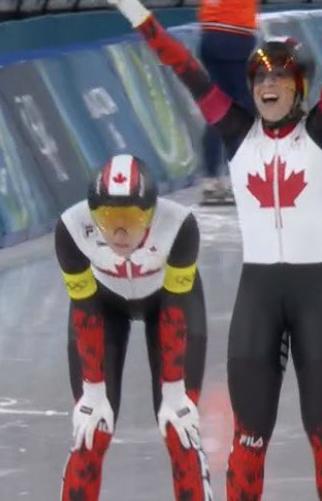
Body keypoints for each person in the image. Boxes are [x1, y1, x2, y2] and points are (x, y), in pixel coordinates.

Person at [104, 0, 322, 499]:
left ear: (299, 88)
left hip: (317, 298)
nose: (268, 85)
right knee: (247, 442)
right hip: (258, 299)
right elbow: (186, 69)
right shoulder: (236, 134)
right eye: (260, 78)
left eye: (280, 78)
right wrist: (137, 13)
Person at [57, 154, 211, 500]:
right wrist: (93, 392)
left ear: (152, 213)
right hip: (102, 305)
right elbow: (84, 308)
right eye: (107, 219)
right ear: (92, 214)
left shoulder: (179, 225)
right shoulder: (71, 227)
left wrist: (175, 393)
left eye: (131, 218)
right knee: (90, 432)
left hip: (168, 304)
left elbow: (175, 310)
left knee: (180, 430)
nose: (120, 232)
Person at [197, 0, 293, 205]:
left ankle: (211, 178)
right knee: (244, 107)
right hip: (234, 38)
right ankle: (247, 174)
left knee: (218, 108)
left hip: (209, 36)